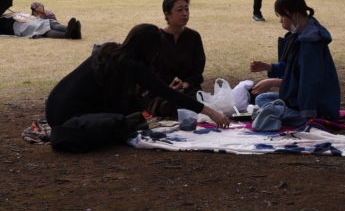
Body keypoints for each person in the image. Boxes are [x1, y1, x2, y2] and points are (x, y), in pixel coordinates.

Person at [45, 23, 228, 151]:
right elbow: (167, 94)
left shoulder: (109, 51)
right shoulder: (131, 65)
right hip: (68, 119)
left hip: (53, 109)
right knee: (123, 120)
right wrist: (212, 113)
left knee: (132, 109)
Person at [249, 0, 340, 123]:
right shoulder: (298, 36)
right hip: (299, 98)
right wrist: (268, 67)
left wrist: (274, 82)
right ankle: (272, 112)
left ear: (293, 14)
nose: (280, 21)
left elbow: (308, 83)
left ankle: (284, 115)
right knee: (262, 99)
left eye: (282, 16)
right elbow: (292, 68)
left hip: (315, 106)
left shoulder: (311, 44)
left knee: (268, 107)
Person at [148, 0, 205, 117]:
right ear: (167, 14)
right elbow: (151, 71)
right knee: (166, 106)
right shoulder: (156, 38)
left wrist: (185, 84)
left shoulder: (193, 36)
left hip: (189, 89)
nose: (185, 14)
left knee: (192, 105)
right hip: (162, 90)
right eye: (179, 10)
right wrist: (167, 87)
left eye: (187, 9)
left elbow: (198, 70)